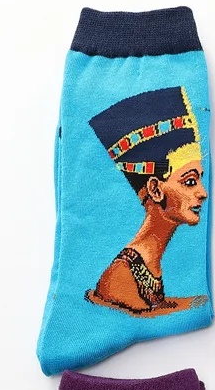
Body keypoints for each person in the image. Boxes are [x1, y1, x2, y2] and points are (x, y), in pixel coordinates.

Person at [85, 87, 208, 316]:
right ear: (155, 190)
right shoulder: (122, 274)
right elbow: (144, 316)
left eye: (200, 180)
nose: (203, 193)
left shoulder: (147, 263)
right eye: (190, 182)